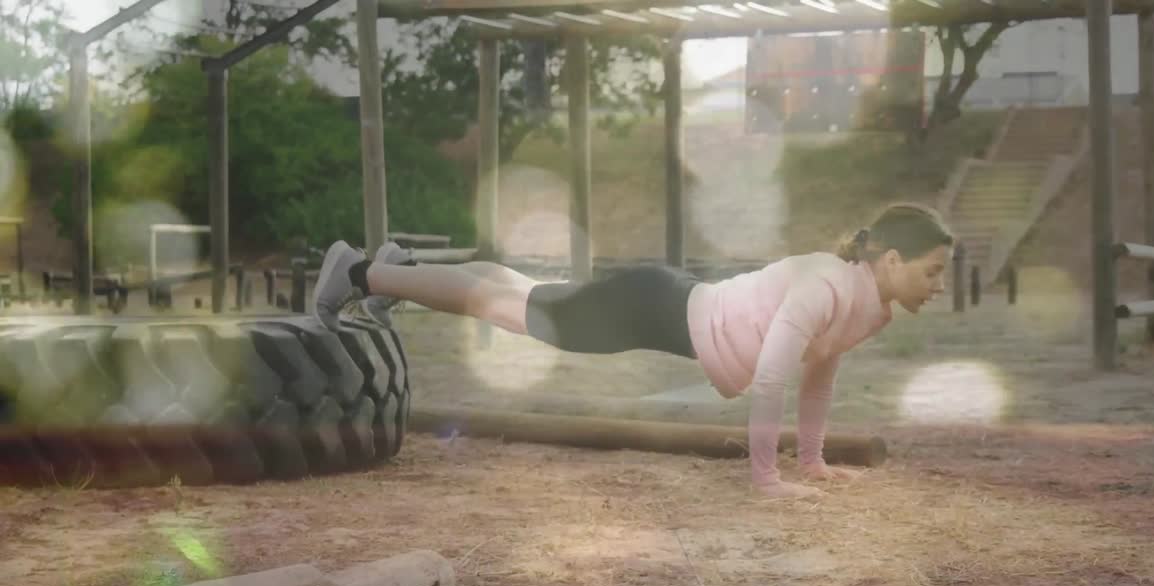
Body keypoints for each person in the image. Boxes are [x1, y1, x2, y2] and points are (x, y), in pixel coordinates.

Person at [312, 203, 954, 498]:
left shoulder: (868, 305)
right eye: (931, 271)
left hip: (660, 303)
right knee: (512, 309)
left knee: (523, 294)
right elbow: (772, 378)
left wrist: (811, 462)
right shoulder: (825, 285)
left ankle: (402, 267)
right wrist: (766, 478)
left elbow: (820, 377)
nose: (938, 285)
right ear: (891, 260)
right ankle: (363, 273)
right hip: (651, 306)